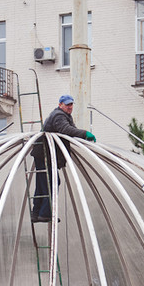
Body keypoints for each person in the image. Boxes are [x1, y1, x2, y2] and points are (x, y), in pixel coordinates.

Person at [30, 94, 96, 222]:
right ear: (60, 105)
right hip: (45, 154)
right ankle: (45, 214)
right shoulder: (59, 115)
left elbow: (70, 130)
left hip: (44, 154)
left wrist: (82, 137)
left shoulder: (64, 116)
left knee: (42, 184)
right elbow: (65, 130)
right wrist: (84, 133)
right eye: (67, 105)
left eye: (71, 104)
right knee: (52, 183)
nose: (70, 107)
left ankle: (36, 213)